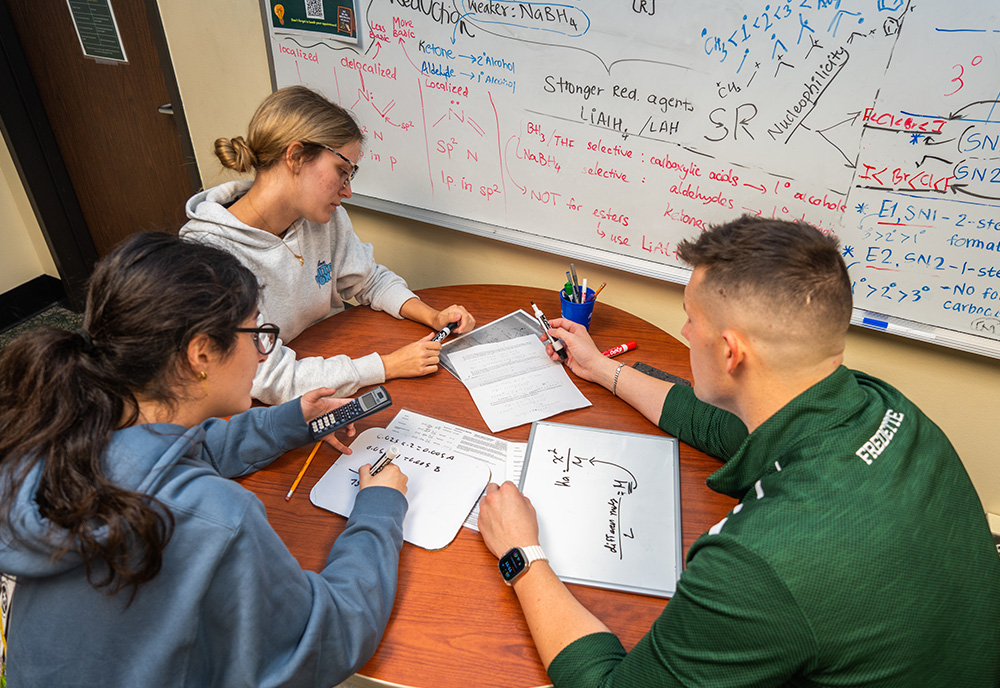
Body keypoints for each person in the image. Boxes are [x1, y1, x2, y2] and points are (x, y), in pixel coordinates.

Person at [478, 216, 1000, 687]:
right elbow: (721, 425)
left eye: (691, 319)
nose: (684, 332)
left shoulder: (755, 565)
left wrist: (523, 555)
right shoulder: (885, 407)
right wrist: (602, 369)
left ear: (729, 351)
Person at [0, 233, 409, 687]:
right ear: (200, 354)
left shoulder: (55, 429)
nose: (262, 352)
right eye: (257, 333)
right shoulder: (215, 517)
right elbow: (325, 640)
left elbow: (172, 451)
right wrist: (378, 508)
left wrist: (287, 422)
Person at [180, 85, 475, 405]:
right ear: (295, 157)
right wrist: (386, 365)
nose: (347, 191)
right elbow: (271, 379)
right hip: (258, 406)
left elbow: (369, 279)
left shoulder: (323, 220)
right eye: (342, 173)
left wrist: (432, 316)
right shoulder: (207, 257)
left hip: (321, 364)